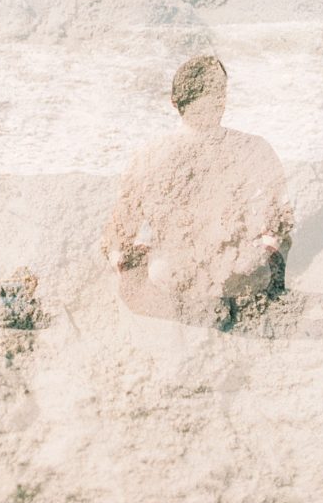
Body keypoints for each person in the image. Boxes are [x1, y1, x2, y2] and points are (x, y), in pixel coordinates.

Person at [103, 55, 293, 328]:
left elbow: (119, 238)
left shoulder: (149, 155)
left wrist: (130, 254)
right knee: (268, 251)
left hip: (171, 278)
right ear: (222, 99)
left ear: (174, 102)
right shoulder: (255, 148)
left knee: (141, 258)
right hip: (241, 278)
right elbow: (280, 224)